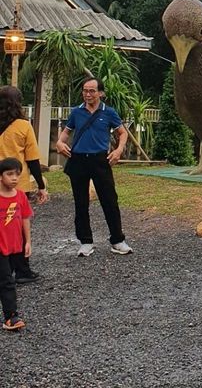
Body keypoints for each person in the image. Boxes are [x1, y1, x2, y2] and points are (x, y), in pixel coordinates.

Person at [56, 77, 132, 257]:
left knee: (110, 201)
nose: (88, 94)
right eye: (85, 91)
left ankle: (117, 240)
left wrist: (118, 150)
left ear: (101, 93)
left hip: (100, 160)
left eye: (92, 91)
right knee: (81, 203)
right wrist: (59, 143)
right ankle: (85, 241)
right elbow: (66, 133)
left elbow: (122, 133)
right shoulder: (76, 112)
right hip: (79, 160)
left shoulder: (109, 112)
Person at [0, 85, 48, 283]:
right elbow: (32, 159)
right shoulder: (23, 126)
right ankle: (21, 270)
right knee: (18, 227)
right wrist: (41, 185)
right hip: (17, 185)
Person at [0, 157, 33, 330]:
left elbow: (25, 218)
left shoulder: (20, 196)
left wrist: (27, 241)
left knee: (6, 279)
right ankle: (11, 317)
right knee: (7, 281)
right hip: (0, 247)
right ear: (0, 176)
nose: (14, 178)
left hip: (14, 246)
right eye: (9, 174)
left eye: (17, 174)